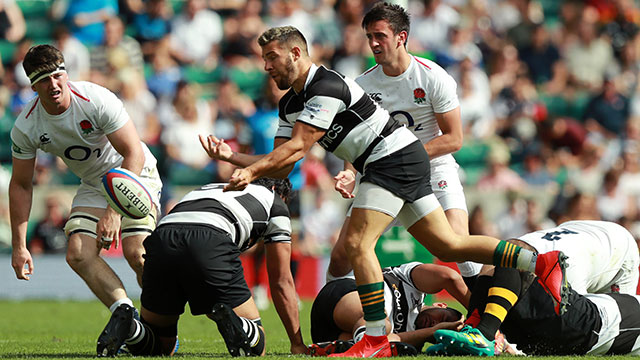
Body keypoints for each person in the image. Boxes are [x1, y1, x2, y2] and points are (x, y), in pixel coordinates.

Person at [199, 25, 567, 358]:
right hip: (393, 160)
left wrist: (249, 170)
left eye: (272, 57)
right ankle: (539, 263)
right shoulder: (290, 103)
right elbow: (282, 162)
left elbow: (297, 147)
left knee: (358, 245)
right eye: (264, 59)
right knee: (448, 246)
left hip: (390, 159)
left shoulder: (325, 86)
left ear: (296, 53)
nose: (266, 66)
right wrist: (233, 156)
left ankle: (375, 340)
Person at [326, 1, 481, 288]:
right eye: (369, 36)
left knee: (460, 244)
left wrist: (402, 156)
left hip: (434, 170)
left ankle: (487, 320)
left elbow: (454, 138)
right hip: (384, 177)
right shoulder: (361, 86)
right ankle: (338, 320)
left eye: (380, 36)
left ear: (401, 37)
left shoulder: (433, 76)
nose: (373, 43)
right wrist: (349, 171)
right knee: (341, 256)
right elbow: (355, 139)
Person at [10, 45, 162, 318]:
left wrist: (113, 212)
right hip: (94, 183)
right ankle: (127, 317)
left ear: (66, 74)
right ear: (32, 87)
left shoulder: (95, 99)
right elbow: (21, 184)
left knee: (137, 252)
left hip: (134, 172)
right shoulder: (26, 126)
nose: (53, 84)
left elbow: (133, 152)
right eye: (43, 80)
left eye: (57, 75)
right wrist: (20, 246)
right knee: (78, 253)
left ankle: (160, 324)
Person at [96, 178, 306, 357]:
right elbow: (281, 280)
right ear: (277, 191)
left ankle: (130, 327)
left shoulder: (211, 187)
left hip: (162, 238)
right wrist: (297, 343)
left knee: (161, 345)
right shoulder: (275, 202)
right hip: (210, 238)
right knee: (256, 346)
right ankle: (238, 323)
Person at [428, 220, 640, 356]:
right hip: (584, 240)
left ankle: (482, 331)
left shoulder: (575, 263)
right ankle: (479, 332)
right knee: (504, 256)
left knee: (505, 255)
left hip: (606, 251)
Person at [307, 261, 469, 356]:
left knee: (383, 335)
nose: (433, 324)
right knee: (380, 324)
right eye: (442, 319)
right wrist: (483, 317)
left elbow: (388, 342)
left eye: (437, 331)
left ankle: (343, 347)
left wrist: (432, 333)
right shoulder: (414, 286)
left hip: (329, 333)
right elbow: (450, 277)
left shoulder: (414, 342)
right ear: (440, 305)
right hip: (344, 296)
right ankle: (360, 344)